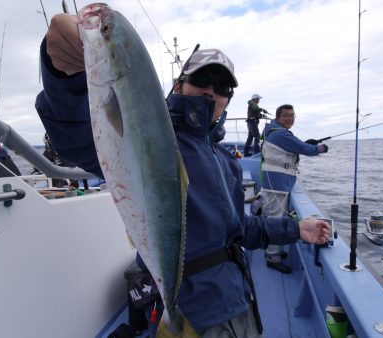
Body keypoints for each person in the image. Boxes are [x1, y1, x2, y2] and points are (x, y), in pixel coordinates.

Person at [35, 13, 331, 338]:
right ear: (179, 85)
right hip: (196, 309)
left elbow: (242, 229)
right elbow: (79, 135)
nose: (211, 91)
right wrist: (64, 76)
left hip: (240, 300)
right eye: (202, 80)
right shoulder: (153, 138)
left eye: (222, 87)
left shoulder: (226, 161)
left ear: (228, 100)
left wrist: (295, 228)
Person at [261, 104, 329, 274]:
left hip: (274, 182)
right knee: (276, 219)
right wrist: (321, 148)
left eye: (292, 115)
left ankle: (272, 250)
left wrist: (303, 144)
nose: (290, 118)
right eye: (286, 115)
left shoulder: (272, 130)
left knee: (272, 218)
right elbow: (306, 150)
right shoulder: (281, 133)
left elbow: (293, 146)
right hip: (277, 184)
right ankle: (272, 258)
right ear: (278, 117)